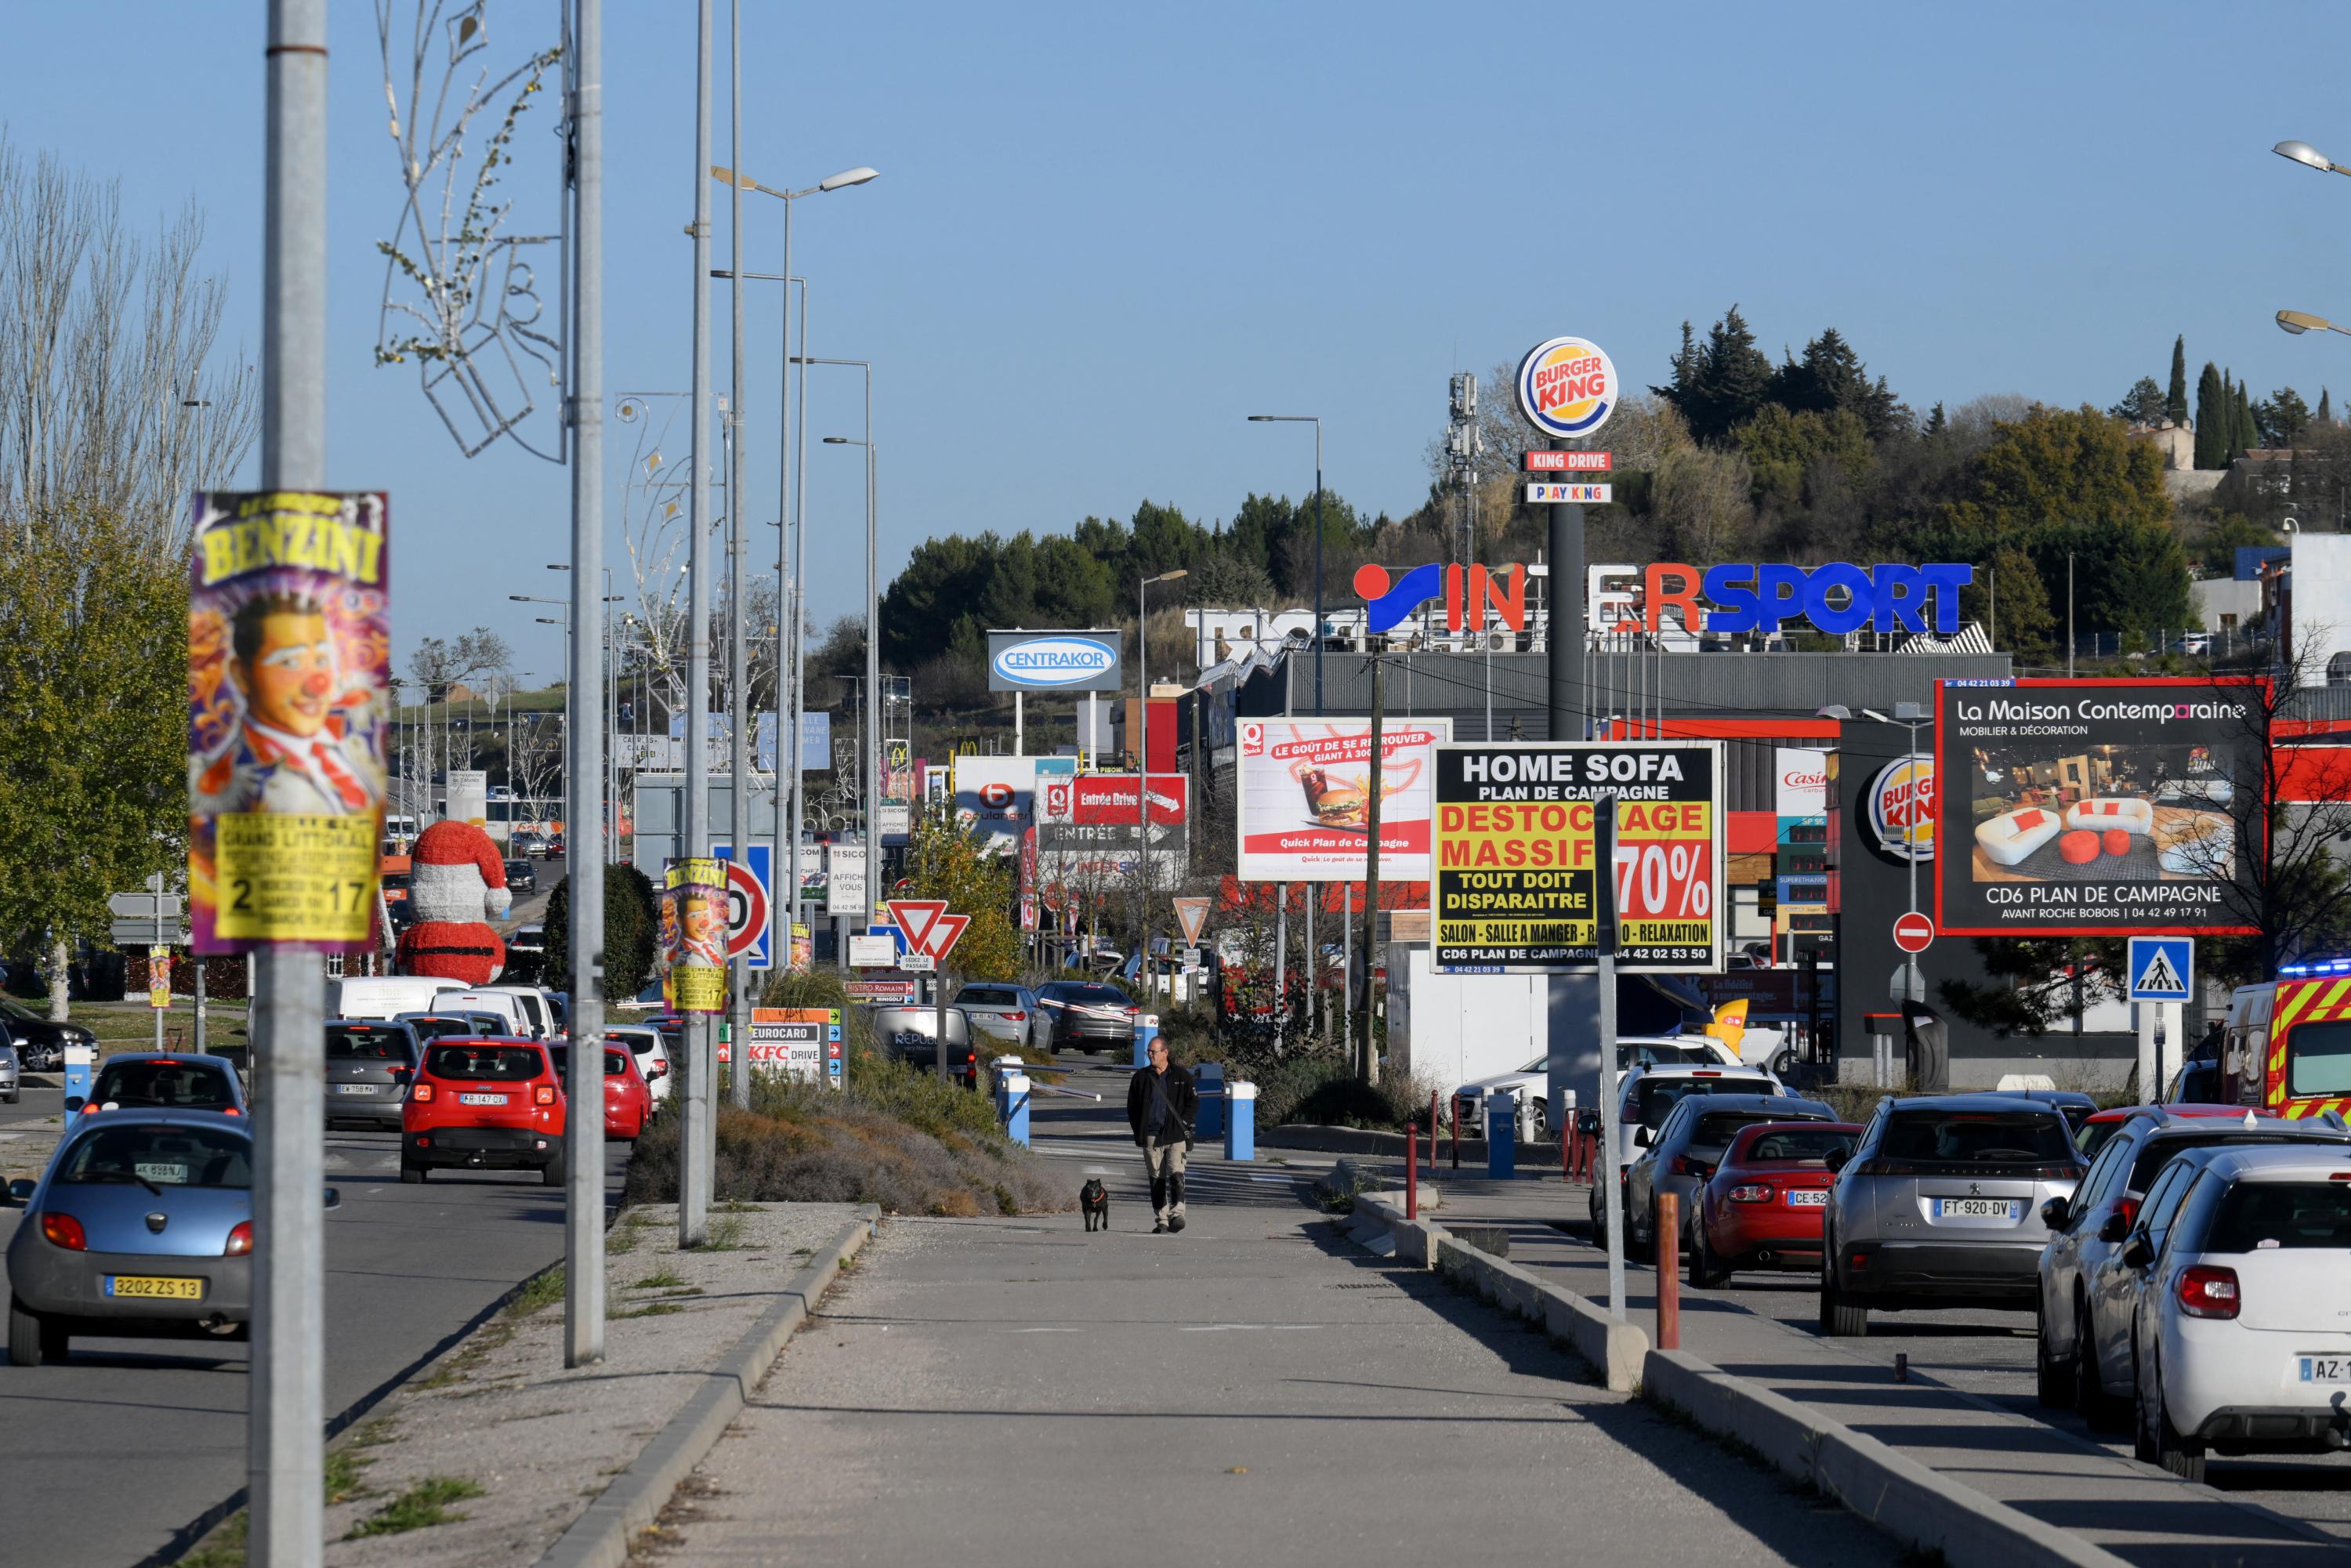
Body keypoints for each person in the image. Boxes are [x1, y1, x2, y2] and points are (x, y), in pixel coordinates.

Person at [193, 590, 379, 817]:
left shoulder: (354, 742)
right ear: (241, 675)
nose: (316, 684)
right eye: (290, 662)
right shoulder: (233, 779)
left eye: (321, 660)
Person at [1125, 1037, 1198, 1233]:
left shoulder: (1182, 1076)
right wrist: (1138, 1129)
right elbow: (1132, 1106)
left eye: (1153, 1051)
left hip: (1175, 1135)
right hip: (1151, 1135)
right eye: (1148, 1051)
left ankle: (1178, 1214)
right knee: (1156, 1178)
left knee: (1176, 1174)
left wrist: (1183, 1122)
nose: (1150, 1055)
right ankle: (1162, 1219)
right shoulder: (1141, 1077)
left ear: (1165, 1052)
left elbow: (1193, 1102)